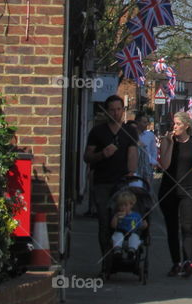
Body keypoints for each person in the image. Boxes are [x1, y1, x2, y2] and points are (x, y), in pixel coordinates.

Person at [83, 95, 138, 275]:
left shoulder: (130, 131)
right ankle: (107, 264)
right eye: (112, 109)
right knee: (104, 224)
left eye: (119, 109)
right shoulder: (98, 132)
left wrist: (132, 171)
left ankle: (122, 256)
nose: (116, 113)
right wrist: (102, 155)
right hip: (102, 183)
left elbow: (133, 157)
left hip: (122, 184)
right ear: (107, 111)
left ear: (123, 110)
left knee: (122, 221)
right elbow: (87, 157)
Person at [158, 111, 192, 278]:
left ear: (186, 126)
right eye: (174, 124)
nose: (174, 127)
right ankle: (175, 263)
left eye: (178, 124)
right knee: (172, 228)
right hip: (168, 189)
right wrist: (170, 144)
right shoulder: (167, 142)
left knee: (188, 227)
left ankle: (187, 262)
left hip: (189, 189)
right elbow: (164, 165)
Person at [110, 189, 146, 254]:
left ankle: (132, 250)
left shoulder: (136, 215)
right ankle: (117, 249)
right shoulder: (118, 215)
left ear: (131, 205)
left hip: (132, 232)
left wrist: (144, 225)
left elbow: (140, 226)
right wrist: (115, 217)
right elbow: (113, 226)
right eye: (121, 205)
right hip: (121, 232)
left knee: (134, 237)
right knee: (117, 235)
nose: (123, 207)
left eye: (126, 205)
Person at [134, 113, 159, 182]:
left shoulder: (150, 135)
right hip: (135, 166)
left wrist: (152, 162)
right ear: (137, 122)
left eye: (147, 122)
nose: (146, 124)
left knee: (147, 188)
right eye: (144, 122)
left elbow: (154, 150)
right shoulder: (132, 134)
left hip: (147, 167)